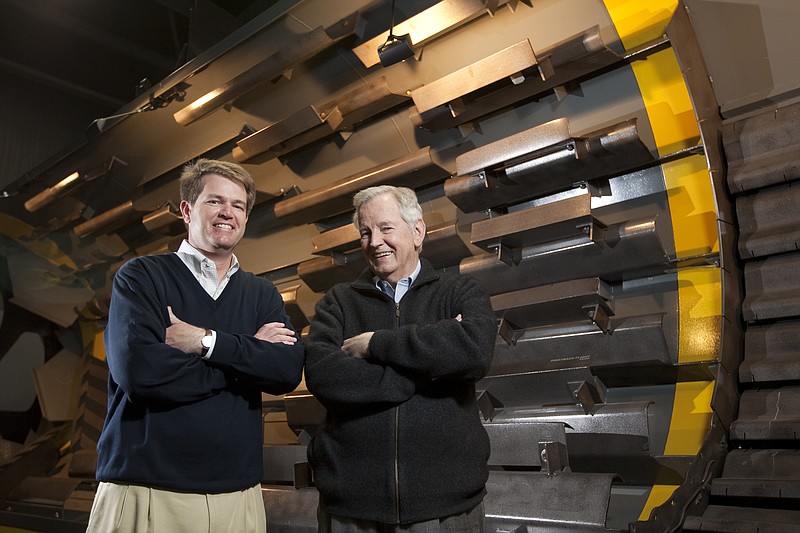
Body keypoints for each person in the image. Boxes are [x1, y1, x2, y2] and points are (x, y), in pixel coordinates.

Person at [87, 158, 305, 533]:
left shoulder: (261, 294)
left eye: (238, 206)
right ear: (187, 210)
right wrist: (246, 359)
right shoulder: (142, 277)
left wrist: (206, 342)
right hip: (146, 488)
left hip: (238, 494)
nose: (227, 213)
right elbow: (141, 374)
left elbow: (284, 372)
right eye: (215, 201)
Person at [304, 185, 497, 532]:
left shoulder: (459, 292)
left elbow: (475, 351)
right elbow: (324, 375)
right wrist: (427, 370)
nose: (374, 241)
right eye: (365, 232)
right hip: (351, 510)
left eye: (385, 228)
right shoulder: (338, 303)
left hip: (446, 509)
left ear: (417, 231)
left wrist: (377, 344)